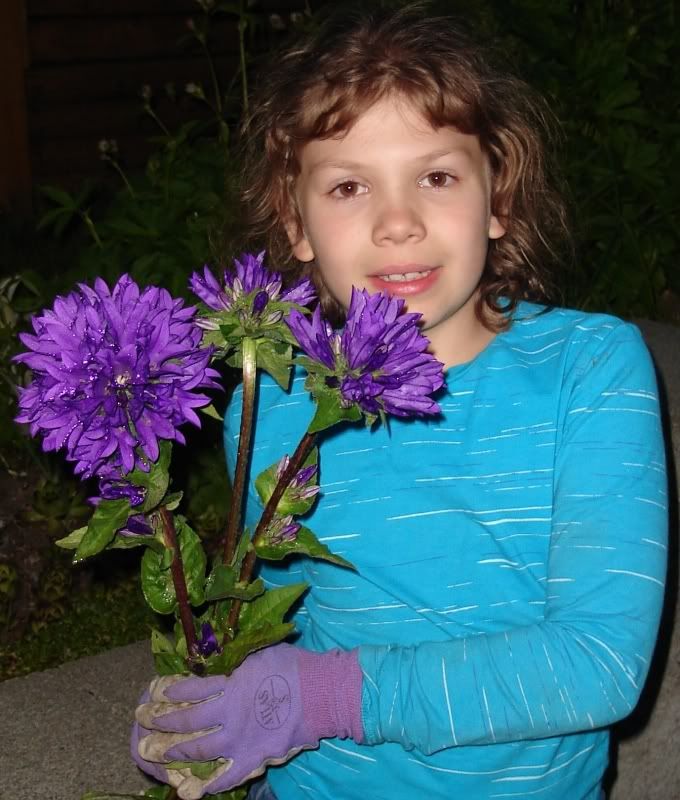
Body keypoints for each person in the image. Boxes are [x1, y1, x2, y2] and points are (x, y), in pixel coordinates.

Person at [131, 6, 668, 800]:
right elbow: (275, 615)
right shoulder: (269, 397)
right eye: (349, 186)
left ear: (499, 199)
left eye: (438, 176)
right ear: (296, 222)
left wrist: (317, 699)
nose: (397, 223)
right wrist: (214, 707)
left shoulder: (591, 370)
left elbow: (599, 666)